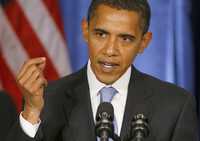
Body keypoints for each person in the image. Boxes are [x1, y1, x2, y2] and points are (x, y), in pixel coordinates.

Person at [6, 0, 198, 141]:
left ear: (144, 42)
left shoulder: (175, 105)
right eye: (101, 34)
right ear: (85, 30)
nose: (110, 50)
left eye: (125, 39)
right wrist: (31, 112)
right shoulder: (47, 100)